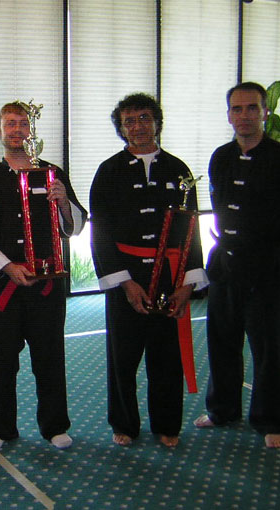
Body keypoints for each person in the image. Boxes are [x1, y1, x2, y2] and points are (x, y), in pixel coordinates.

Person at [194, 82, 280, 448]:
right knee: (222, 341)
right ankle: (222, 409)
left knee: (267, 347)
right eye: (237, 109)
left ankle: (270, 419)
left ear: (264, 112)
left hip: (267, 265)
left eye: (251, 108)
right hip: (225, 262)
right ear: (228, 114)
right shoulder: (220, 157)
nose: (244, 115)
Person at [0, 102, 87, 452]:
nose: (17, 130)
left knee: (49, 357)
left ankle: (55, 426)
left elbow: (75, 225)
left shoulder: (52, 173)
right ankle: (0, 427)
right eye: (10, 124)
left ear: (31, 130)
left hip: (47, 283)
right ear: (0, 131)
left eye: (23, 123)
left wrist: (63, 202)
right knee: (2, 359)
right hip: (4, 284)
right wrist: (7, 267)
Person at [90, 92, 208, 448]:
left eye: (144, 118)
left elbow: (191, 230)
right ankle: (124, 422)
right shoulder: (108, 171)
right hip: (126, 278)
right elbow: (101, 232)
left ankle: (167, 424)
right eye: (129, 121)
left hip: (170, 276)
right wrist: (124, 283)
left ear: (157, 122)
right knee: (122, 359)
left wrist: (187, 284)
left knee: (166, 357)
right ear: (121, 128)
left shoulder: (178, 170)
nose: (138, 126)